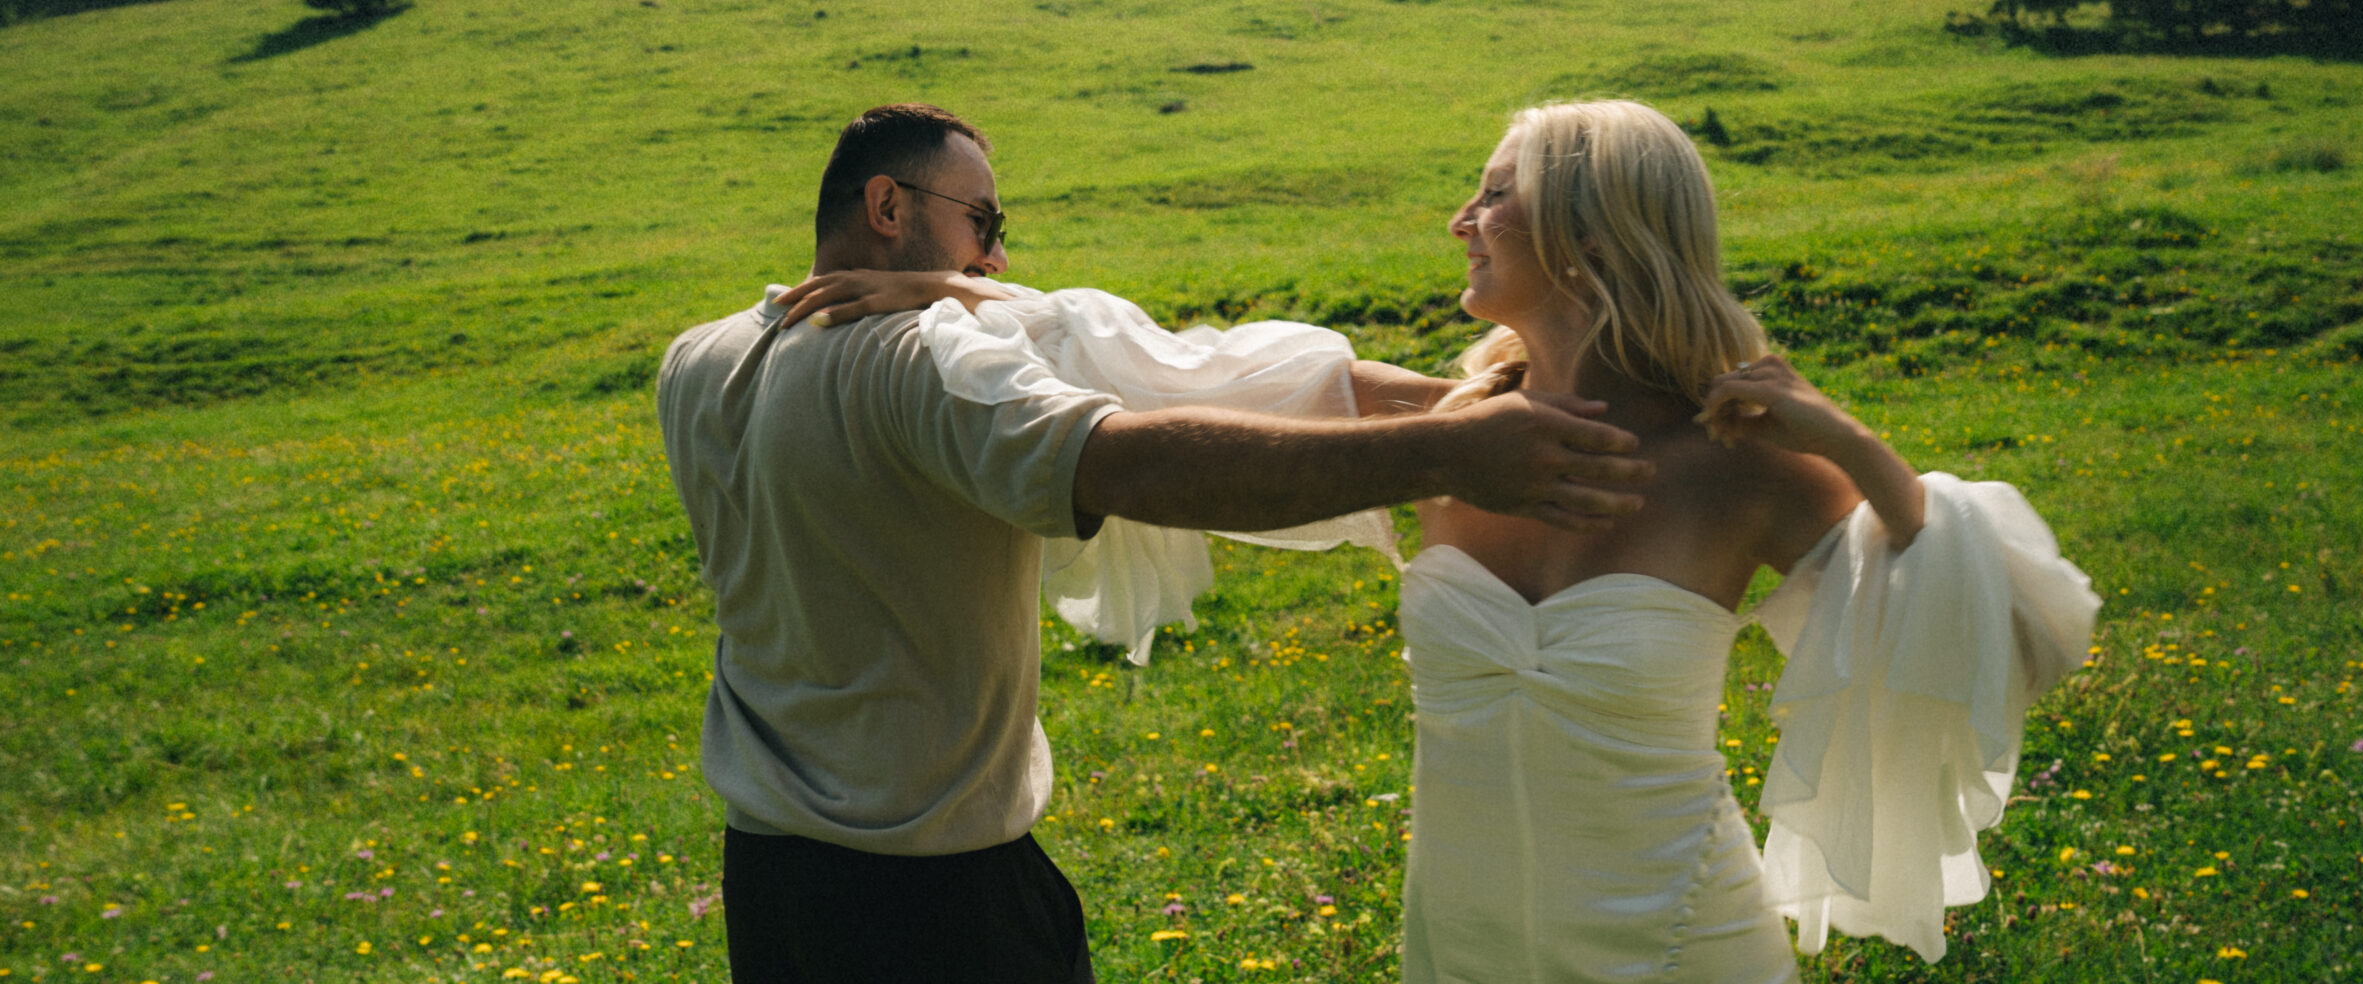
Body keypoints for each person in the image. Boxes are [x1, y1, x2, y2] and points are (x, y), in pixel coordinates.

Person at [653, 102, 1653, 984]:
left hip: (769, 879)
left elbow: (1155, 365)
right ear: (887, 207)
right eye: (983, 223)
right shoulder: (924, 353)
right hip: (935, 894)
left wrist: (982, 301)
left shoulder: (696, 359)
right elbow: (1126, 464)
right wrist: (1446, 451)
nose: (997, 257)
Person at [1397, 100, 2097, 980]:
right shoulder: (1433, 435)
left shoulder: (1735, 463)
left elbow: (2026, 641)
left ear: (1597, 234)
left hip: (1680, 943)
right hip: (1463, 948)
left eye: (1496, 193)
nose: (1462, 220)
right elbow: (1192, 393)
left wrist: (1850, 443)